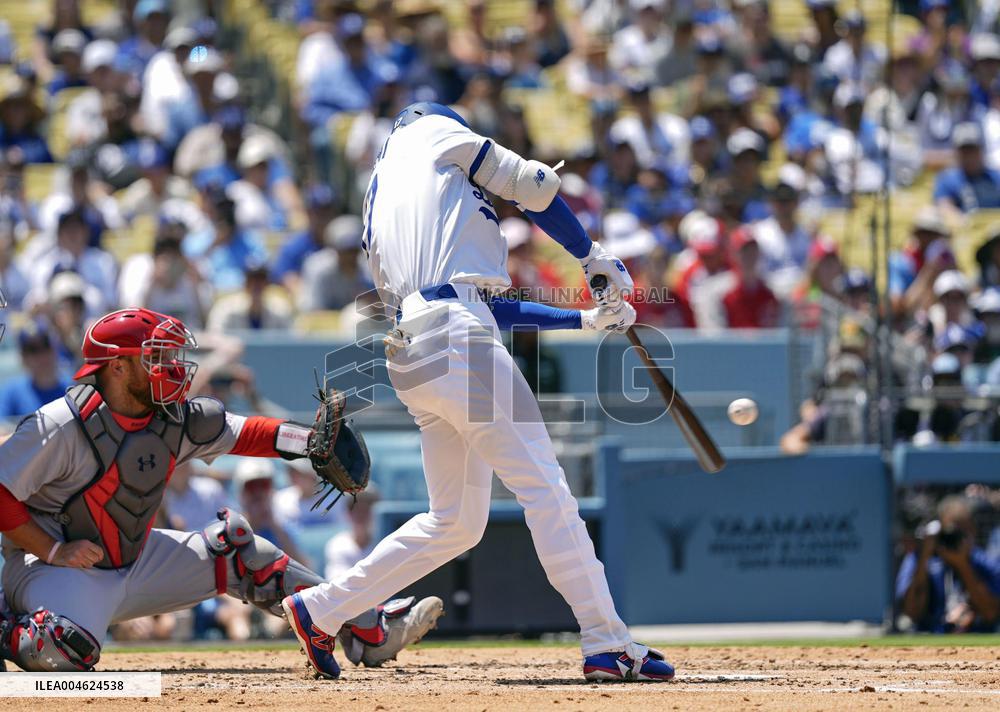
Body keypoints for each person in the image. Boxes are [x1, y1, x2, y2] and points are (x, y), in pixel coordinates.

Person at [282, 102, 673, 683]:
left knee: (456, 522)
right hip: (453, 337)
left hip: (414, 347)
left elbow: (481, 301)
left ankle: (321, 608)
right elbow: (535, 185)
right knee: (546, 487)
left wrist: (584, 319)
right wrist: (593, 257)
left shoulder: (386, 191)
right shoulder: (437, 133)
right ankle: (607, 641)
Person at [0, 308, 441, 672]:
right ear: (116, 367)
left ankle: (367, 626)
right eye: (155, 356)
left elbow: (246, 432)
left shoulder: (172, 416)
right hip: (56, 566)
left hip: (135, 562)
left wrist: (308, 441)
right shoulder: (62, 423)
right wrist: (53, 550)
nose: (171, 366)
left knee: (241, 553)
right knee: (64, 653)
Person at [896, 495, 1000, 633]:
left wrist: (963, 566)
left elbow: (991, 613)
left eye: (965, 531)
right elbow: (911, 612)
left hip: (974, 636)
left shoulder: (980, 560)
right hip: (929, 639)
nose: (958, 538)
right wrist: (925, 556)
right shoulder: (920, 558)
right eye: (953, 531)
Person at [0, 323, 72, 420]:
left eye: (45, 346)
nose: (41, 356)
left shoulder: (72, 389)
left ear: (55, 349)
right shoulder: (11, 393)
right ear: (23, 357)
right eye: (33, 350)